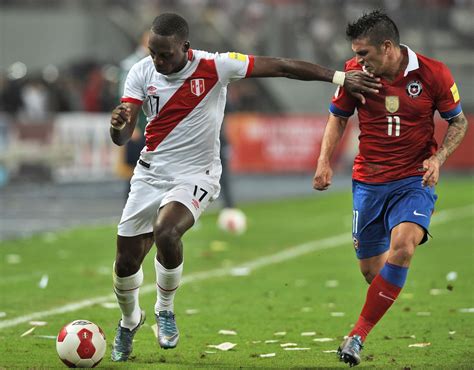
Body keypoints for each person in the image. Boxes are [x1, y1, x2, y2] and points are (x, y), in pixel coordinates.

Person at [109, 12, 380, 362]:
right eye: (153, 53)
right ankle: (130, 320)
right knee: (125, 263)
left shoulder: (217, 66)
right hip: (149, 174)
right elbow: (122, 134)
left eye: (165, 54)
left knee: (166, 232)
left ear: (185, 48)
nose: (158, 61)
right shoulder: (140, 72)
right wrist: (117, 126)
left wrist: (340, 77)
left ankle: (164, 310)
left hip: (197, 174)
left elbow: (281, 66)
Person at [313, 10, 468, 367]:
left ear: (387, 47)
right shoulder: (354, 73)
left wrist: (439, 158)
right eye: (356, 54)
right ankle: (385, 293)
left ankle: (356, 336)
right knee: (373, 272)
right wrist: (324, 162)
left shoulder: (433, 73)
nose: (359, 61)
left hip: (414, 180)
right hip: (368, 182)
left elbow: (457, 121)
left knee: (403, 247)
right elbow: (338, 118)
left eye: (364, 53)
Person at [116, 31, 149, 201]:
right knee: (135, 170)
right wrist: (131, 125)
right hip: (139, 124)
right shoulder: (131, 64)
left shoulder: (157, 62)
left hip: (153, 125)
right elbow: (124, 95)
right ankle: (130, 209)